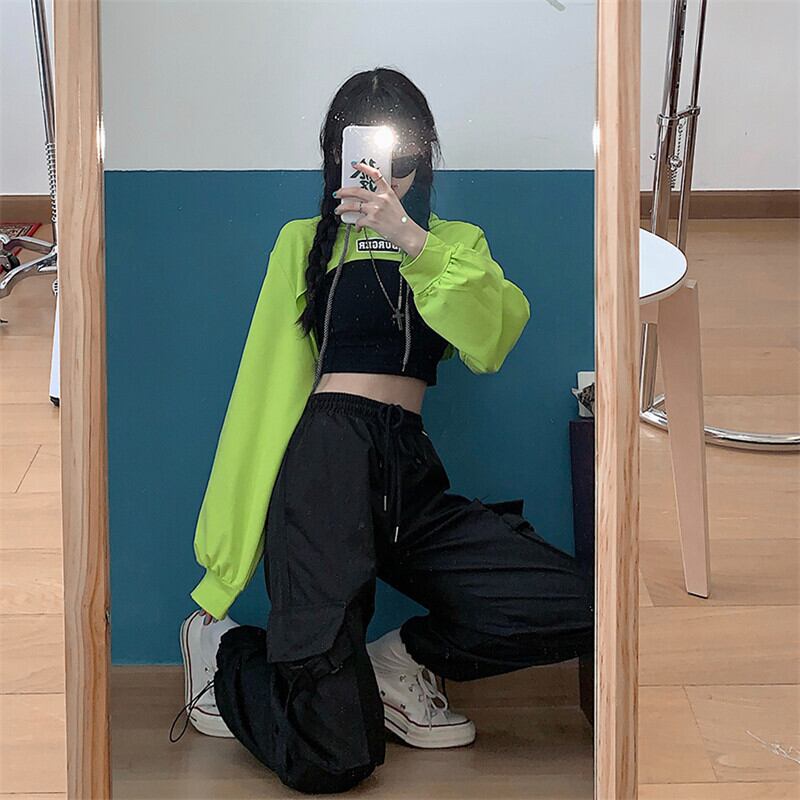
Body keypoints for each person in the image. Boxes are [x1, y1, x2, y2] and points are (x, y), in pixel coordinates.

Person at [170, 67, 593, 794]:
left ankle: (400, 664)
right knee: (332, 758)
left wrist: (409, 239)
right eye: (362, 150)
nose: (383, 170)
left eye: (400, 153)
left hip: (408, 469)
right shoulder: (303, 242)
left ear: (423, 156)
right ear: (337, 155)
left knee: (591, 607)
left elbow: (491, 340)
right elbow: (262, 392)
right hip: (324, 464)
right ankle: (225, 656)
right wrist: (223, 570)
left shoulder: (453, 242)